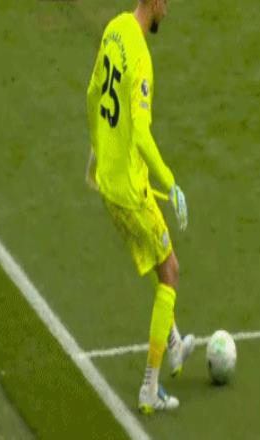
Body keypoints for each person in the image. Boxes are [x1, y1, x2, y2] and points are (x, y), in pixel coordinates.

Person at [85, 0, 194, 414]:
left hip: (109, 184)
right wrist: (171, 182)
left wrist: (97, 151)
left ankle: (174, 342)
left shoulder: (114, 29)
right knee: (171, 271)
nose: (170, 10)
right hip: (132, 192)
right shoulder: (142, 59)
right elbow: (142, 135)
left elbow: (93, 94)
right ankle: (150, 387)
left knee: (155, 258)